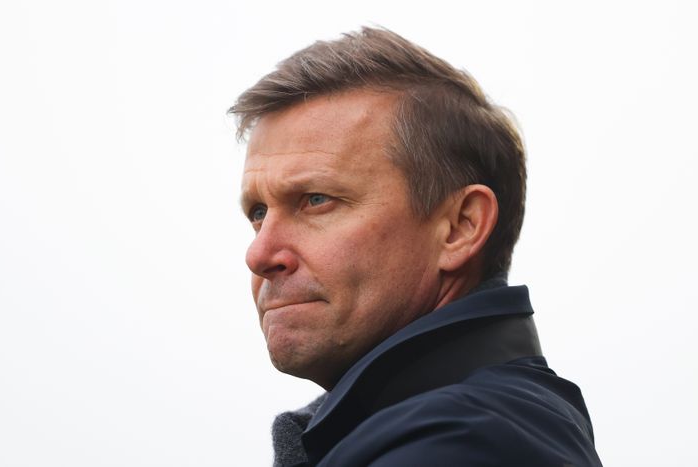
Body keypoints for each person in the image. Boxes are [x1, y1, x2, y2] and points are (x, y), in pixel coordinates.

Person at [230, 27, 602, 467]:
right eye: (258, 213)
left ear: (460, 227)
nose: (259, 255)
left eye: (316, 200)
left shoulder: (469, 442)